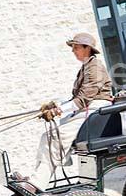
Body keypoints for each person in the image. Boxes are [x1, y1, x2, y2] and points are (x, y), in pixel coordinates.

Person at [35, 32, 113, 182]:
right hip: (87, 109)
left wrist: (58, 111)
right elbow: (77, 97)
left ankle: (38, 182)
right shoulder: (87, 66)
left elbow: (84, 98)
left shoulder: (94, 67)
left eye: (76, 47)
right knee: (47, 136)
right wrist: (56, 104)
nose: (73, 51)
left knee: (55, 137)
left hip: (94, 110)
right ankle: (37, 177)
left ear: (87, 48)